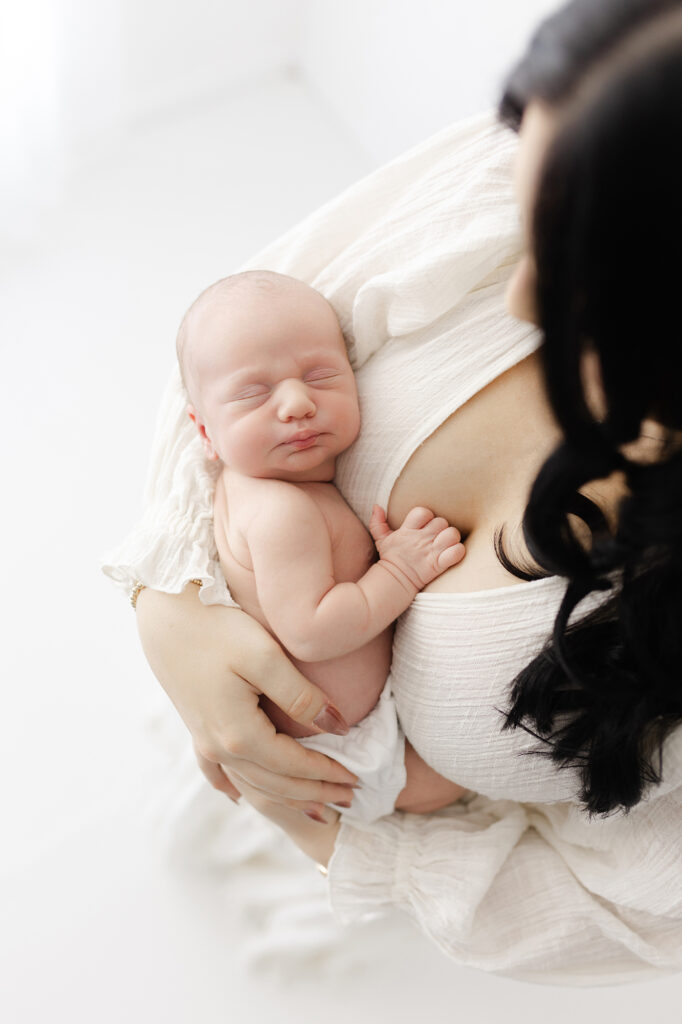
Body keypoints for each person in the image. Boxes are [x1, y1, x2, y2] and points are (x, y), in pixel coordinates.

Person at [109, 0, 682, 983]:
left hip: (364, 822)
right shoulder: (584, 124)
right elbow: (225, 338)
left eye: (577, 265)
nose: (517, 293)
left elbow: (623, 909)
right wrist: (168, 606)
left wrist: (323, 828)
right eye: (530, 219)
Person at [176, 269, 466, 822]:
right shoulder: (281, 512)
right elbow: (312, 631)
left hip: (349, 730)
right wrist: (399, 572)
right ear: (205, 432)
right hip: (334, 754)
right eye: (253, 393)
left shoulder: (260, 488)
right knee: (446, 785)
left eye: (321, 375)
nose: (295, 404)